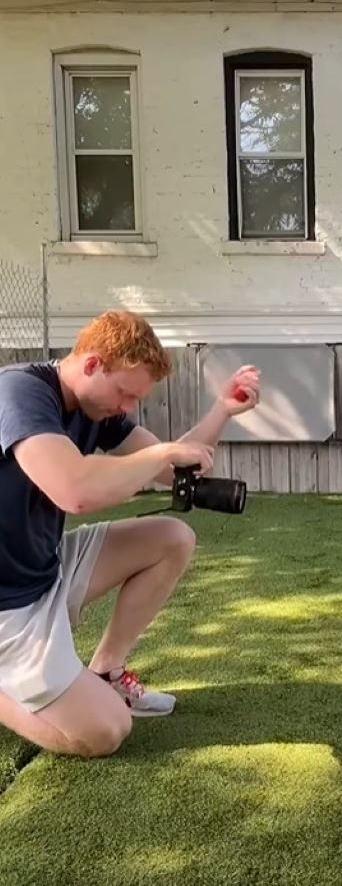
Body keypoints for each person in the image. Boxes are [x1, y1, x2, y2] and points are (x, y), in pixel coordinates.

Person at [0, 309, 259, 757]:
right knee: (106, 732)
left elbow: (173, 468)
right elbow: (73, 490)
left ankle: (107, 671)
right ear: (93, 363)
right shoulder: (18, 391)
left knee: (172, 538)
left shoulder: (96, 406)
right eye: (125, 393)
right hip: (8, 604)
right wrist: (161, 452)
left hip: (45, 566)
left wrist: (222, 411)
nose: (128, 407)